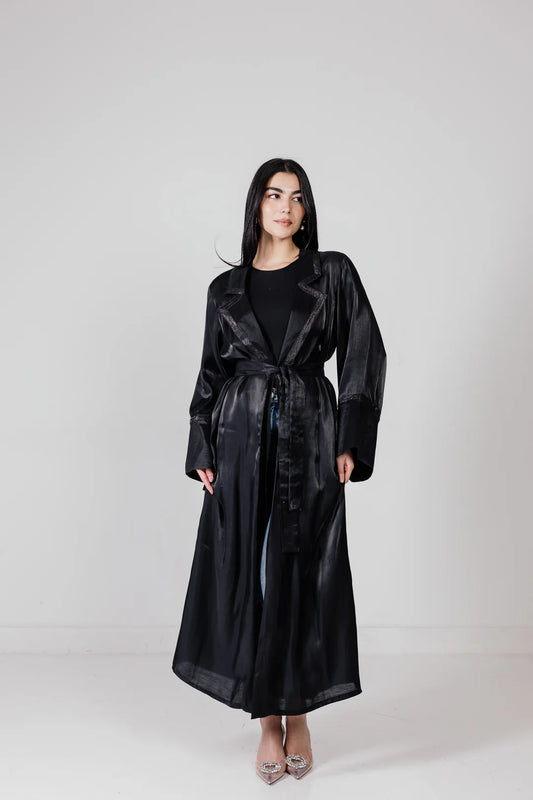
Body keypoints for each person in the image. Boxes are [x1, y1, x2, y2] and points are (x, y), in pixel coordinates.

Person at [172, 157, 387, 784]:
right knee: (253, 576)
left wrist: (350, 438)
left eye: (296, 197)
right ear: (256, 205)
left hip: (309, 436)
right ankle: (268, 720)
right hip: (239, 444)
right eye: (273, 195)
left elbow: (365, 350)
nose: (285, 207)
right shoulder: (226, 289)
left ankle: (300, 711)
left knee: (302, 571)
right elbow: (211, 374)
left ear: (306, 209)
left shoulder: (331, 273)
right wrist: (203, 448)